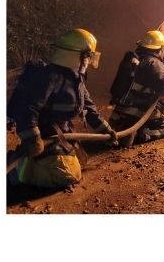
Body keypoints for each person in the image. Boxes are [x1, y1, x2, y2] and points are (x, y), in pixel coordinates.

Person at [8, 29, 118, 188]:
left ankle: (34, 165)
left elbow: (89, 109)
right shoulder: (49, 77)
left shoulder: (75, 80)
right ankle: (15, 170)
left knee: (79, 163)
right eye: (88, 56)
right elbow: (27, 109)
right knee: (66, 174)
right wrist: (33, 140)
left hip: (62, 136)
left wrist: (107, 131)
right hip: (45, 137)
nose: (89, 61)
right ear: (79, 56)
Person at [108, 30, 164, 145]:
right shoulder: (155, 63)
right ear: (160, 48)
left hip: (118, 112)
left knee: (116, 129)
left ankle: (120, 132)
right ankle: (139, 135)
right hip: (137, 113)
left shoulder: (132, 58)